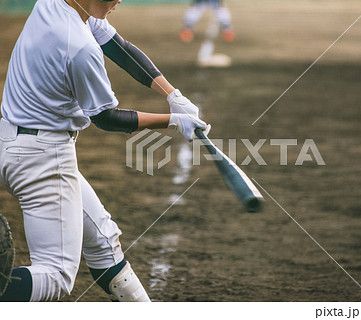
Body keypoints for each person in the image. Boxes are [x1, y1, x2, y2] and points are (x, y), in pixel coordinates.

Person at [0, 0, 209, 302]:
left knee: (103, 240)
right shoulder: (80, 46)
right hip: (43, 158)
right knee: (56, 276)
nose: (118, 0)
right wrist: (173, 121)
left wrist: (172, 95)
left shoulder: (59, 4)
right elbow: (106, 117)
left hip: (12, 142)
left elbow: (118, 47)